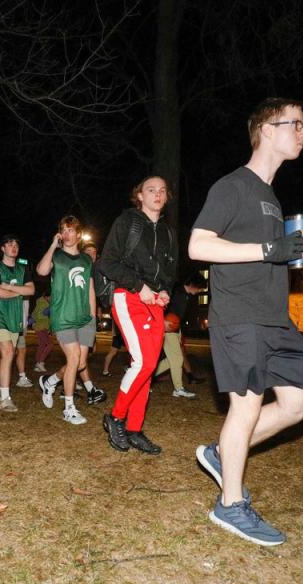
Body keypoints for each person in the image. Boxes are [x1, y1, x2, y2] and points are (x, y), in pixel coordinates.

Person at [189, 97, 303, 545]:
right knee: (245, 407)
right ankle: (230, 504)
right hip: (239, 315)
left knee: (297, 405)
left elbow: (269, 255)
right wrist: (268, 251)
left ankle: (222, 453)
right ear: (266, 128)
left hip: (275, 317)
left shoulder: (271, 197)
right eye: (295, 124)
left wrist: (288, 255)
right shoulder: (233, 187)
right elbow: (199, 246)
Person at [98, 175, 178, 455]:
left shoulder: (167, 232)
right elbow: (107, 262)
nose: (157, 194)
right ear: (140, 196)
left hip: (154, 302)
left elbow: (168, 272)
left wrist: (165, 290)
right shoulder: (128, 222)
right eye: (151, 189)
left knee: (147, 365)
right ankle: (116, 417)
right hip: (128, 297)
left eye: (162, 190)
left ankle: (134, 429)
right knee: (143, 362)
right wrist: (139, 286)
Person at [36, 216, 105, 425]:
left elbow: (90, 289)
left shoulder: (86, 260)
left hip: (85, 317)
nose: (67, 234)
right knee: (74, 357)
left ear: (78, 234)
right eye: (63, 230)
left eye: (71, 230)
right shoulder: (56, 256)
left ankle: (50, 381)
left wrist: (93, 317)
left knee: (81, 363)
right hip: (63, 316)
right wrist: (52, 245)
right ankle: (68, 408)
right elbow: (41, 271)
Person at [0, 234, 35, 412]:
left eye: (16, 244)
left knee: (9, 354)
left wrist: (9, 287)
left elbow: (31, 289)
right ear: (2, 248)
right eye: (9, 244)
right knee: (8, 352)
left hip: (15, 317)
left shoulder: (24, 269)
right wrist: (19, 291)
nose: (13, 247)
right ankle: (5, 398)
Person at [153, 274, 207, 398]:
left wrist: (180, 332)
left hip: (176, 329)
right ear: (194, 285)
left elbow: (179, 317)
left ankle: (146, 377)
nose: (199, 292)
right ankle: (178, 388)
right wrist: (162, 321)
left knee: (171, 360)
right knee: (177, 359)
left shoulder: (186, 295)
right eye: (199, 289)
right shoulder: (175, 291)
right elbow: (162, 305)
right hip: (168, 329)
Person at [31, 289, 53, 372]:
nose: (52, 299)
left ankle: (37, 365)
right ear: (47, 296)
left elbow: (34, 314)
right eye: (51, 297)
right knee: (50, 345)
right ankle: (41, 362)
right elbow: (39, 315)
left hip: (42, 327)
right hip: (40, 327)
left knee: (42, 345)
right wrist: (47, 310)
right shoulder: (42, 303)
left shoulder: (43, 302)